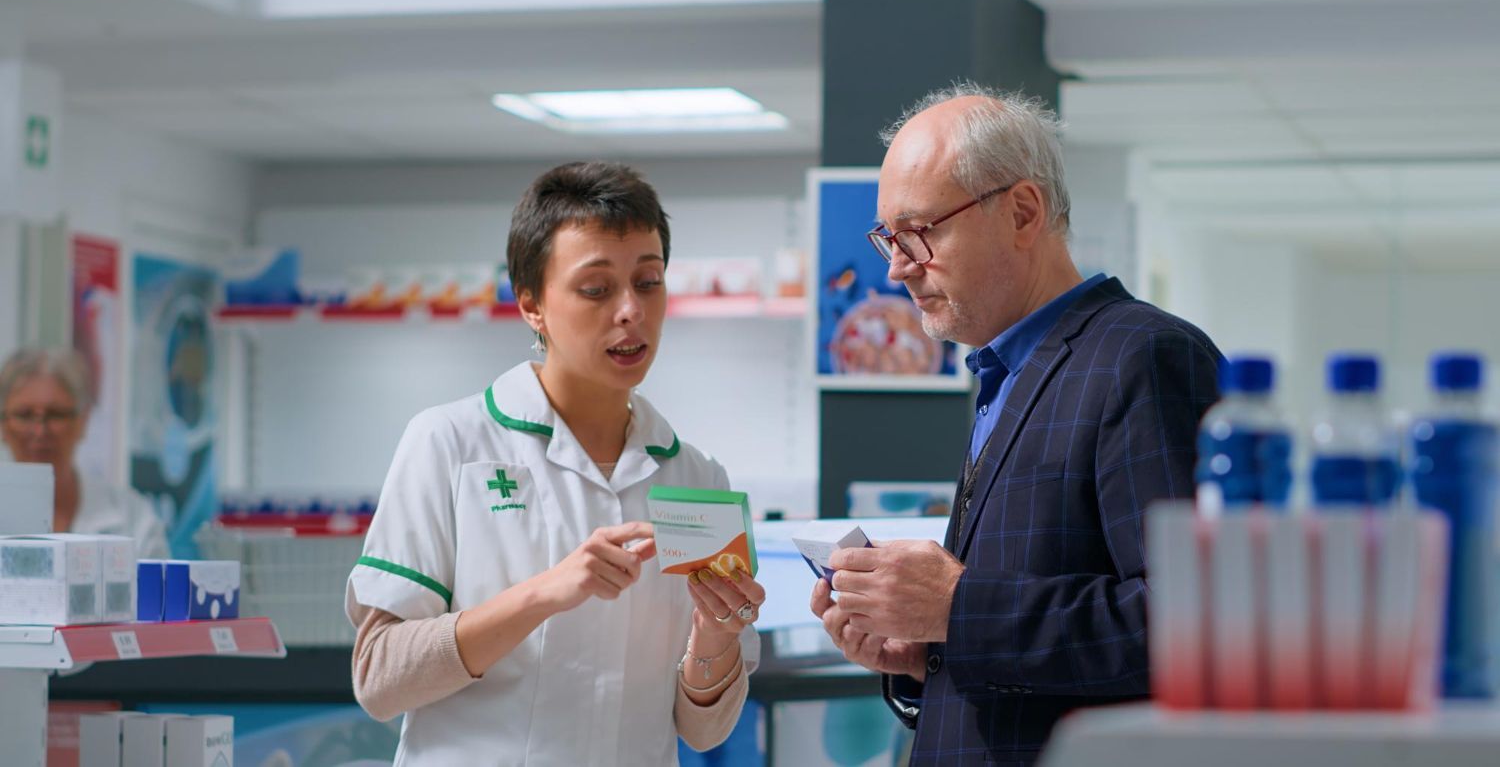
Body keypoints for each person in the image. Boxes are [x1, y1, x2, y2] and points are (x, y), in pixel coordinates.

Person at [810, 84, 1222, 765]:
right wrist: (925, 655)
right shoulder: (1005, 370)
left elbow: (1192, 625)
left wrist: (957, 608)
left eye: (919, 232)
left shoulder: (1144, 356)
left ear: (1022, 212)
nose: (897, 268)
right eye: (888, 238)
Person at [346, 161, 764, 765]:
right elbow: (379, 679)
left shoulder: (696, 479)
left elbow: (704, 732)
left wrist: (715, 637)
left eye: (648, 281)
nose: (630, 309)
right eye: (596, 289)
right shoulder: (450, 443)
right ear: (532, 305)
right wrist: (543, 593)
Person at [0, 347, 169, 557]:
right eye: (25, 415)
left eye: (55, 414)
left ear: (83, 420)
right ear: (3, 424)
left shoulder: (134, 520)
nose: (40, 431)